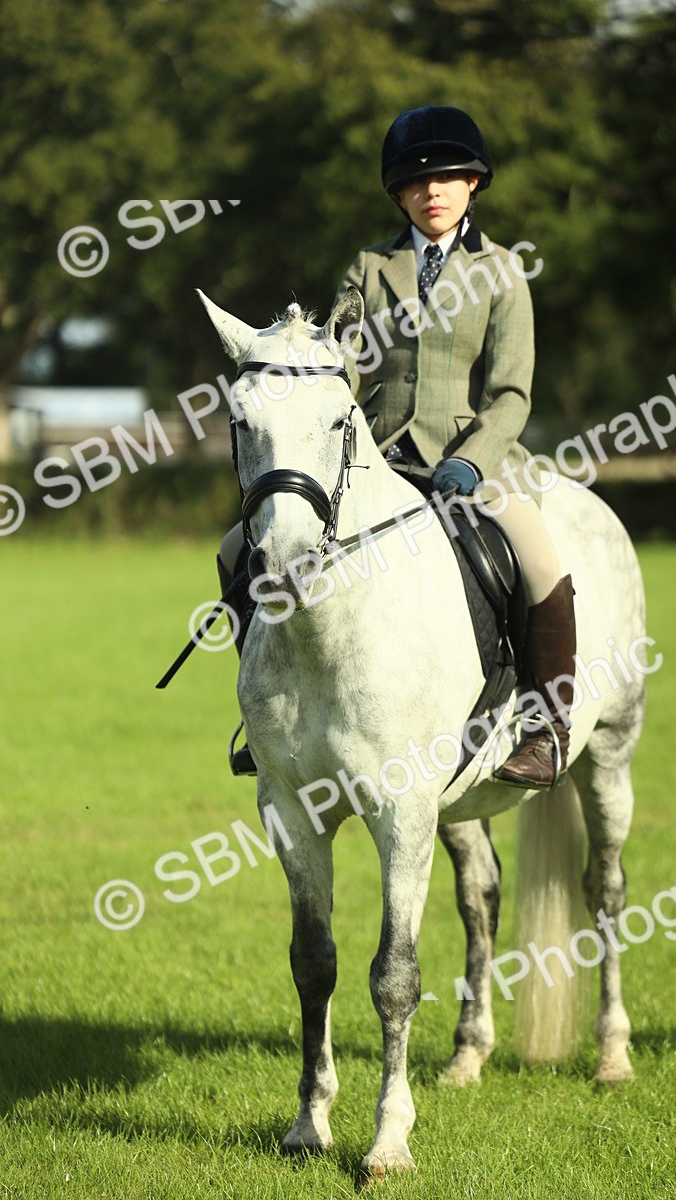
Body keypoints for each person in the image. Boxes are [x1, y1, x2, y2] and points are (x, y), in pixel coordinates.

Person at [221, 104, 576, 788]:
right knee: (238, 547)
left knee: (536, 554)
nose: (431, 191)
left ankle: (546, 727)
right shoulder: (370, 267)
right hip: (377, 458)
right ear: (398, 194)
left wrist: (470, 460)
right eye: (415, 182)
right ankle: (265, 716)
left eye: (446, 178)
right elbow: (342, 370)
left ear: (473, 183)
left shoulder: (502, 270)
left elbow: (511, 395)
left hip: (473, 462)